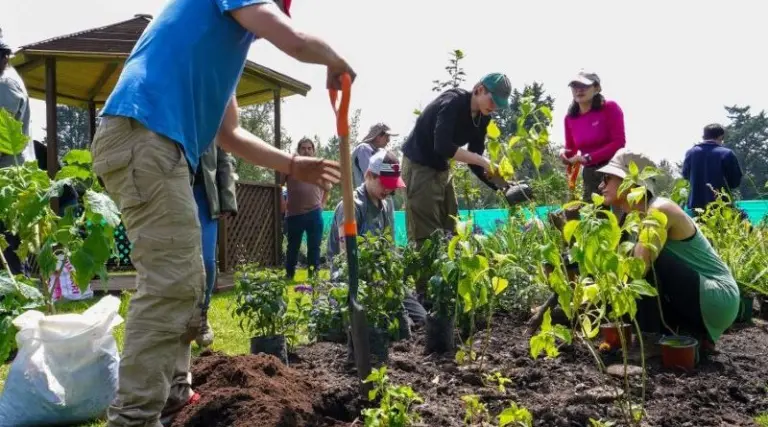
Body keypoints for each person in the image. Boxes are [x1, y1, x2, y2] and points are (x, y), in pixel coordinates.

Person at [89, 1, 352, 426]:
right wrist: (336, 62)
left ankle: (173, 391)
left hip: (155, 143)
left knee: (191, 281)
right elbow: (294, 40)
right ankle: (133, 417)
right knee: (171, 282)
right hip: (143, 134)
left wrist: (290, 164)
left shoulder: (222, 45)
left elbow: (228, 133)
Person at [598, 148, 739, 351]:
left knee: (641, 261)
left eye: (607, 177)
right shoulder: (633, 217)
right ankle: (692, 337)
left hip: (718, 297)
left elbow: (637, 270)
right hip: (695, 296)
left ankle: (648, 343)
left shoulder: (659, 209)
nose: (601, 185)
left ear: (630, 181)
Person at [401, 73, 511, 248]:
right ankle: (424, 275)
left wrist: (503, 186)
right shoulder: (453, 102)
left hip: (442, 168)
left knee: (452, 229)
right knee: (426, 237)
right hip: (419, 166)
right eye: (493, 101)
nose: (495, 107)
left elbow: (475, 161)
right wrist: (483, 161)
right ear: (479, 90)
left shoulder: (483, 118)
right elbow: (442, 146)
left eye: (499, 104)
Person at [328, 150, 426, 324]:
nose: (388, 190)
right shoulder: (351, 206)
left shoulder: (387, 206)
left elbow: (390, 249)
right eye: (384, 183)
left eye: (392, 185)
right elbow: (345, 258)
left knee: (421, 319)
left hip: (383, 279)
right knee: (370, 325)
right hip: (351, 282)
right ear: (369, 175)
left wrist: (392, 280)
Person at [193, 144, 238, 348]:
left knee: (208, 263)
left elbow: (224, 159)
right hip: (172, 189)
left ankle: (202, 314)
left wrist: (227, 199)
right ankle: (174, 321)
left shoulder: (210, 115)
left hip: (204, 194)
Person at [0, 30, 35, 275]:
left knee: (8, 246)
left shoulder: (4, 85)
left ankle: (14, 301)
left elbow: (3, 138)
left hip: (7, 178)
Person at [561, 70, 626, 202]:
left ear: (596, 88)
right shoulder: (570, 118)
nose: (579, 90)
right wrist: (563, 153)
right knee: (594, 215)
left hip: (615, 169)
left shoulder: (610, 108)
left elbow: (619, 143)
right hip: (590, 174)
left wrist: (588, 157)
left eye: (585, 86)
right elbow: (571, 150)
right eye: (575, 86)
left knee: (620, 216)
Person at [283, 138, 328, 280]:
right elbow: (279, 185)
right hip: (294, 214)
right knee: (292, 247)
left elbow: (327, 188)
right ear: (298, 150)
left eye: (309, 148)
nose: (306, 151)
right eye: (303, 148)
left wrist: (322, 205)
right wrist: (283, 206)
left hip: (314, 213)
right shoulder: (290, 167)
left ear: (314, 151)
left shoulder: (319, 168)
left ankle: (313, 276)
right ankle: (289, 274)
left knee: (314, 247)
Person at [682, 123, 742, 212]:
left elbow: (685, 175)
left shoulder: (691, 153)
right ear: (721, 136)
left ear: (704, 136)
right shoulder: (726, 153)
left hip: (696, 205)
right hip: (722, 204)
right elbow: (735, 182)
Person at [352, 123, 397, 188]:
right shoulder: (364, 148)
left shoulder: (377, 151)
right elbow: (372, 174)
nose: (388, 140)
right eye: (387, 136)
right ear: (378, 137)